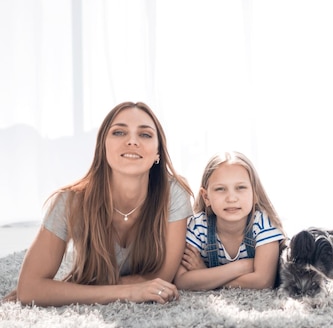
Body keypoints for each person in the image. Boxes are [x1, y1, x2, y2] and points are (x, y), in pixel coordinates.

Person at [4, 102, 193, 306]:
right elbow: (29, 289)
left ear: (158, 153)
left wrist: (70, 290)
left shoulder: (173, 194)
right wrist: (129, 291)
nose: (132, 141)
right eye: (119, 132)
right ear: (103, 147)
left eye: (145, 135)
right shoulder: (70, 202)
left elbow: (161, 279)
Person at [174, 151, 285, 290]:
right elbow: (181, 281)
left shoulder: (264, 224)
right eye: (220, 189)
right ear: (206, 197)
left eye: (241, 188)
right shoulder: (197, 227)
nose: (231, 198)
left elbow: (263, 281)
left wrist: (205, 274)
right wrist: (242, 267)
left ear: (255, 194)